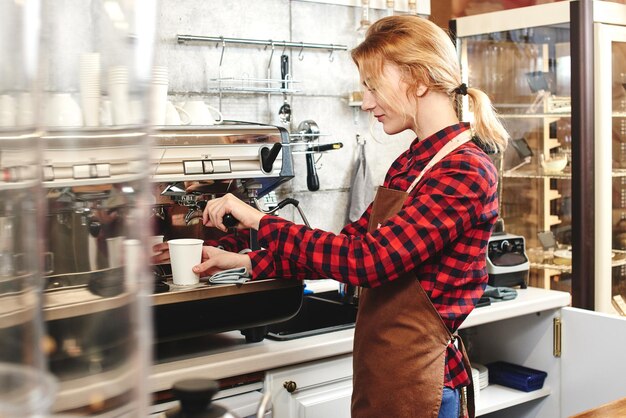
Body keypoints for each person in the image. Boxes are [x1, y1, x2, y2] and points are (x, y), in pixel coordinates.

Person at [153, 15, 508, 418]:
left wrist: (257, 220)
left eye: (373, 86)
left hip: (426, 386)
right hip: (384, 378)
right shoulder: (411, 163)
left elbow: (368, 262)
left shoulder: (465, 171)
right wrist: (246, 261)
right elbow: (347, 247)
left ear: (418, 78)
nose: (368, 102)